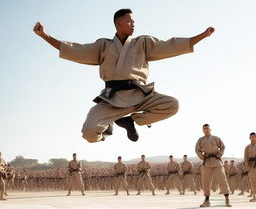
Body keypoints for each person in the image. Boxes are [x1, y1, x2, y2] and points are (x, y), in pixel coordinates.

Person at [33, 9, 215, 142]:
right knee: (89, 132)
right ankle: (106, 129)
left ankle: (130, 121)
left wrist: (202, 36)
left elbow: (171, 45)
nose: (133, 24)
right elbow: (75, 49)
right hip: (113, 98)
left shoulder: (142, 42)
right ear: (118, 24)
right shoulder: (103, 45)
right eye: (129, 21)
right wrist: (44, 36)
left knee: (172, 104)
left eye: (134, 21)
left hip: (140, 94)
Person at [195, 124, 231, 207]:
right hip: (207, 162)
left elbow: (222, 147)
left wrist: (220, 154)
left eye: (207, 128)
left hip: (216, 161)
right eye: (204, 129)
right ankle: (207, 200)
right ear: (202, 130)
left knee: (222, 179)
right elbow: (197, 150)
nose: (206, 130)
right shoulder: (200, 140)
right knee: (206, 182)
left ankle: (227, 198)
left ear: (210, 129)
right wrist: (202, 156)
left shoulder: (216, 138)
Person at [244, 132, 256, 202]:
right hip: (251, 166)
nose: (252, 138)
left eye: (254, 137)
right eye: (251, 137)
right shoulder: (247, 147)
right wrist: (247, 166)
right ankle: (254, 196)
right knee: (252, 181)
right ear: (249, 138)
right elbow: (245, 158)